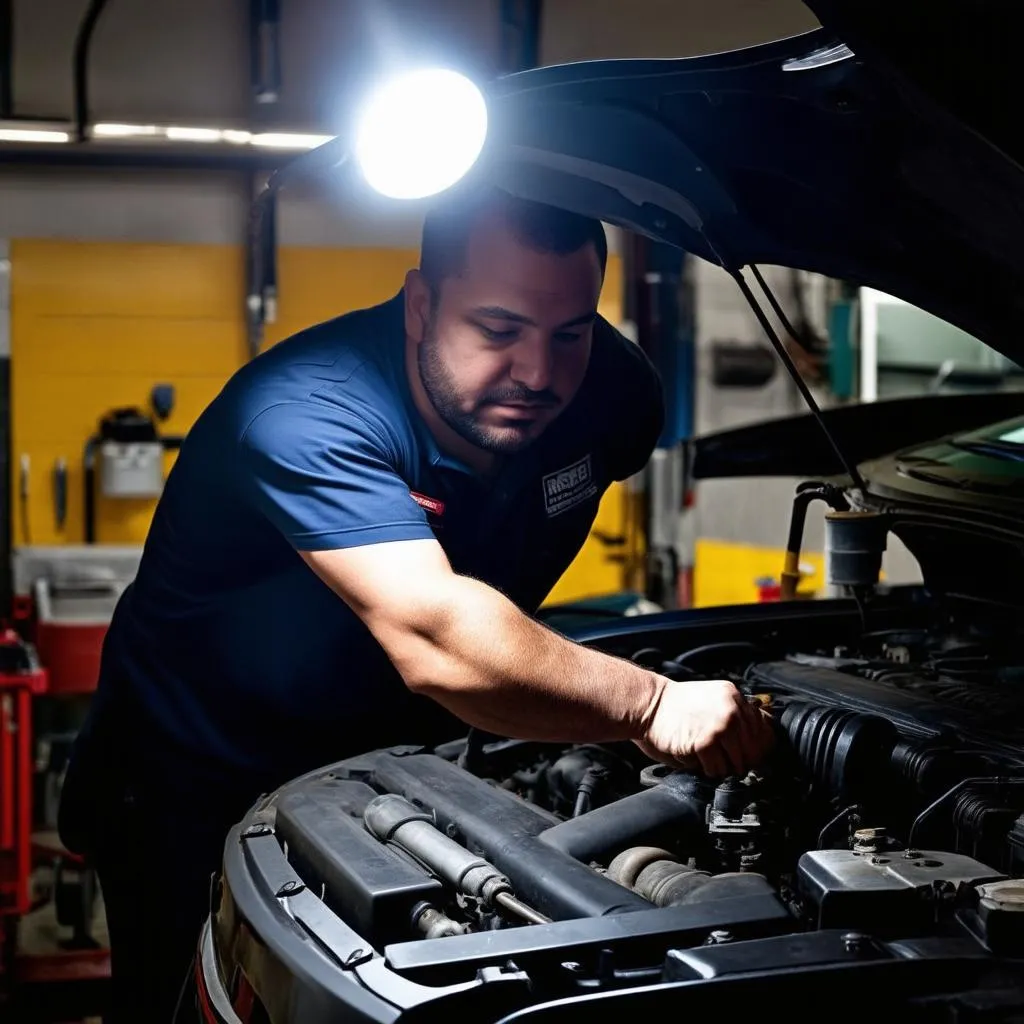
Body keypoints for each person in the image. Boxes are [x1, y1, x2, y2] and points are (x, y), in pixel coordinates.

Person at [58, 183, 774, 1021]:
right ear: (422, 303)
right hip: (193, 781)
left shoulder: (613, 392)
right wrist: (650, 701)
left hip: (399, 763)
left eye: (569, 333)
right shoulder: (305, 412)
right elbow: (441, 640)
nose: (538, 374)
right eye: (498, 330)